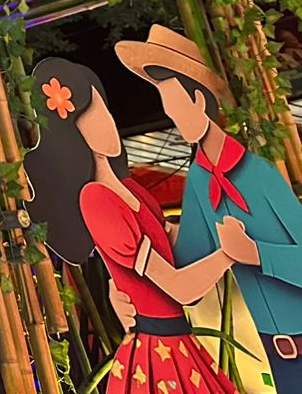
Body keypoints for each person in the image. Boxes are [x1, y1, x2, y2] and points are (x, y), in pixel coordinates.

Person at [25, 57, 244, 394]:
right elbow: (180, 289)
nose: (107, 124)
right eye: (92, 115)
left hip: (178, 340)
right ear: (71, 132)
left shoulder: (132, 190)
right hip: (158, 350)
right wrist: (230, 253)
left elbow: (176, 247)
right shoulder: (97, 200)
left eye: (104, 110)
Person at [112, 26, 302, 392]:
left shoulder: (256, 173)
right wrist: (127, 286)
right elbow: (189, 270)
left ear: (199, 100)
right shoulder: (201, 179)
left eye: (175, 107)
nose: (173, 119)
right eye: (167, 109)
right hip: (277, 353)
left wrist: (255, 253)